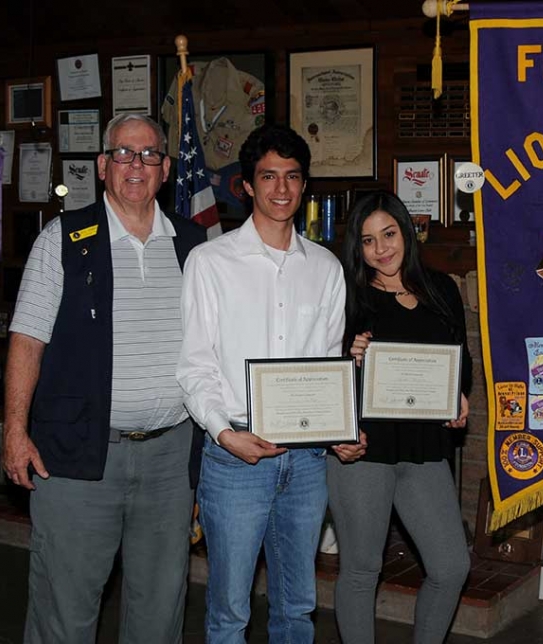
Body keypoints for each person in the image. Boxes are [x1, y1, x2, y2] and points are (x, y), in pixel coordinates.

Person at [2, 113, 207, 643]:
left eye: (148, 155)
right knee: (64, 610)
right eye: (122, 153)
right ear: (101, 166)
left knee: (160, 610)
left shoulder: (195, 245)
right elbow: (26, 340)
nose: (134, 165)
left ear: (165, 168)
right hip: (76, 457)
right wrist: (14, 431)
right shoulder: (65, 239)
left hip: (170, 460)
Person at [176, 123, 366, 642]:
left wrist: (340, 428)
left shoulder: (326, 268)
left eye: (292, 177)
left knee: (298, 608)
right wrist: (223, 432)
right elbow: (194, 365)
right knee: (229, 613)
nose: (281, 189)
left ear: (304, 187)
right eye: (268, 177)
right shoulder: (210, 262)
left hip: (305, 462)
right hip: (235, 455)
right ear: (247, 185)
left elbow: (328, 362)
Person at [328, 190, 472, 644]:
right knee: (361, 569)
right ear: (359, 249)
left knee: (451, 566)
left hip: (425, 450)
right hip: (363, 451)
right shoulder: (347, 296)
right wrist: (347, 358)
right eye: (368, 241)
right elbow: (319, 374)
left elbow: (459, 362)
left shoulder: (442, 289)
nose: (381, 249)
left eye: (388, 234)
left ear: (406, 232)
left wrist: (459, 398)